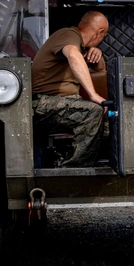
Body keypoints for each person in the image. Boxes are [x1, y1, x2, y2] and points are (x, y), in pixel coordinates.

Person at [31, 11, 109, 167]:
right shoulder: (68, 35)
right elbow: (73, 55)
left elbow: (99, 71)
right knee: (93, 112)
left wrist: (98, 56)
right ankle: (76, 170)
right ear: (99, 33)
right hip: (41, 103)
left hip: (58, 104)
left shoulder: (80, 47)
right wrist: (93, 95)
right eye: (104, 36)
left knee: (111, 122)